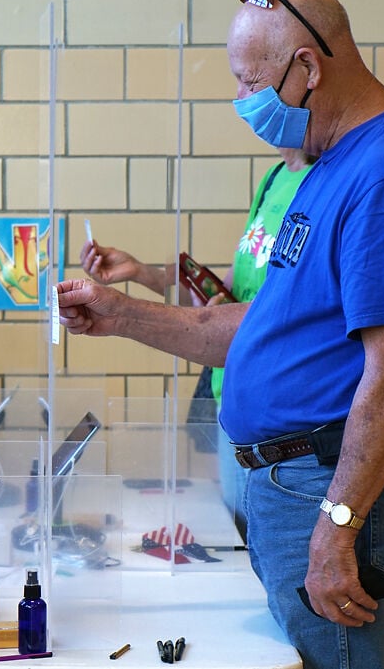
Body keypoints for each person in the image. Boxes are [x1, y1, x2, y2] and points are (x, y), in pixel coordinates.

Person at [56, 0, 384, 669]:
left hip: (324, 485)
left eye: (250, 83)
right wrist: (122, 313)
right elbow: (266, 325)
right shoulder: (331, 166)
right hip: (298, 482)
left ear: (308, 67)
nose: (243, 101)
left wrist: (337, 526)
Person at [80, 146, 315, 536]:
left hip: (281, 409)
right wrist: (143, 274)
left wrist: (124, 313)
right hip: (232, 393)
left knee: (263, 541)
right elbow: (231, 292)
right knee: (238, 532)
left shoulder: (323, 180)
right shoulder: (274, 178)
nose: (249, 111)